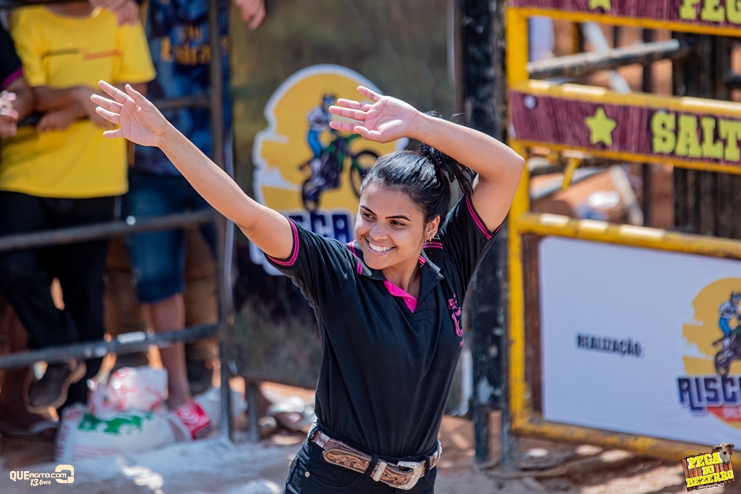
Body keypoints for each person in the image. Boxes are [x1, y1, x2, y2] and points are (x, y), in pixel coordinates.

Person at [92, 81, 524, 493]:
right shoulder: (336, 270)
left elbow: (508, 168)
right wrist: (166, 138)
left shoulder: (449, 261)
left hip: (418, 484)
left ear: (430, 227)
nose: (376, 234)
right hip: (331, 482)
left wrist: (416, 123)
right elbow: (246, 213)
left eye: (397, 223)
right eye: (368, 215)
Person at [110, 0, 265, 439]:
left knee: (243, 270)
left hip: (220, 156)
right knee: (156, 277)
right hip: (149, 163)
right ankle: (177, 391)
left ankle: (254, 385)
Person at [0, 1, 154, 412]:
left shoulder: (121, 13)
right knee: (12, 265)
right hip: (26, 172)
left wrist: (74, 108)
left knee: (84, 292)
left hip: (96, 178)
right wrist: (80, 97)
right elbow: (31, 93)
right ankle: (62, 349)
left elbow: (137, 89)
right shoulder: (27, 15)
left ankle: (75, 409)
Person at [305, 94, 336, 186]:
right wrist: (318, 120)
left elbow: (329, 126)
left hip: (317, 138)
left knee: (325, 153)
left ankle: (323, 175)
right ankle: (316, 178)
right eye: (329, 101)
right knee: (318, 155)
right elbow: (309, 117)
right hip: (312, 136)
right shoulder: (318, 110)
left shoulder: (328, 114)